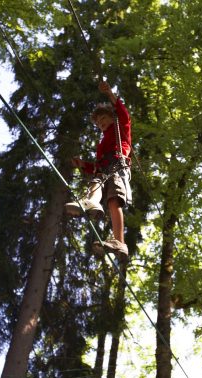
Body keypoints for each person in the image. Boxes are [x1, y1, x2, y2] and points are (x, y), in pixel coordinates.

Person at [65, 81, 132, 261]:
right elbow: (96, 166)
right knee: (96, 182)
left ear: (112, 117)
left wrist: (110, 93)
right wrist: (82, 165)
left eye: (104, 119)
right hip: (103, 168)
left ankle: (120, 242)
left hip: (118, 165)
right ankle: (91, 203)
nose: (101, 123)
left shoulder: (121, 128)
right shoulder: (102, 144)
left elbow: (122, 112)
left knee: (113, 201)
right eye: (99, 123)